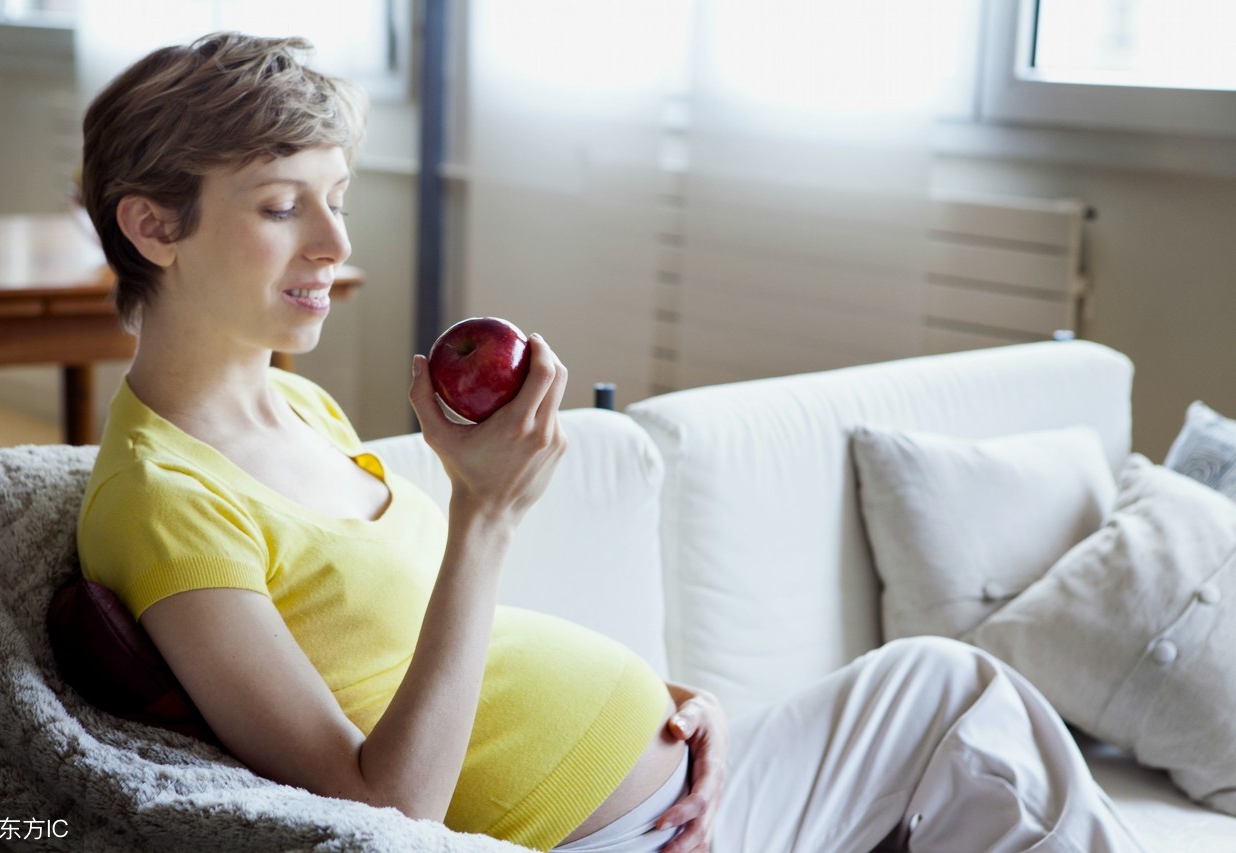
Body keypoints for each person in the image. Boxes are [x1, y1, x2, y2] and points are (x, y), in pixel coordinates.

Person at [76, 32, 1144, 853]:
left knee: (937, 684)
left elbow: (417, 643)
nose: (336, 243)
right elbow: (378, 811)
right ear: (153, 226)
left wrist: (667, 699)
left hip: (662, 793)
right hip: (603, 835)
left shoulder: (296, 407)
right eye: (280, 207)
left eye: (338, 199)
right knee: (958, 712)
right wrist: (484, 513)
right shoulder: (164, 498)